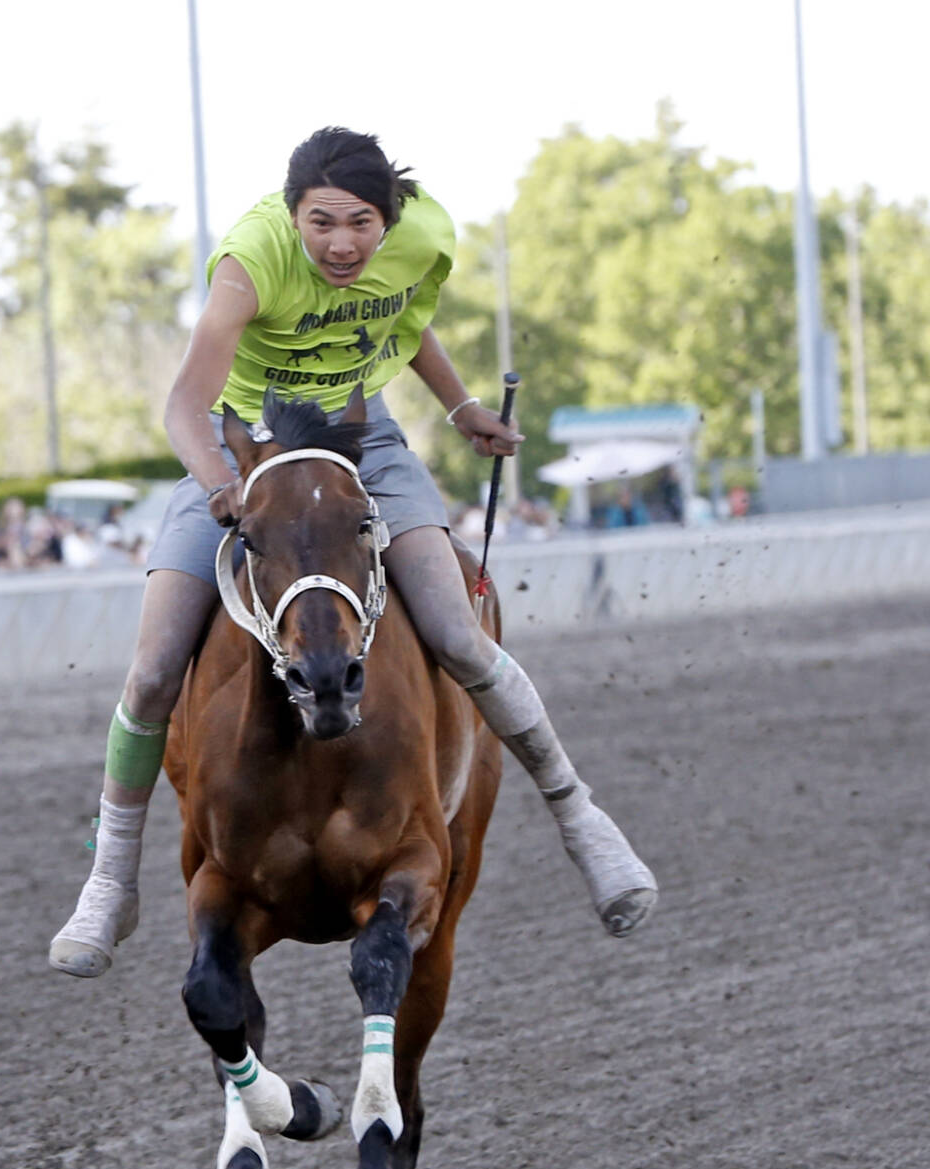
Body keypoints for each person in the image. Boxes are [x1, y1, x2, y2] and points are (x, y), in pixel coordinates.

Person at [49, 127, 657, 979]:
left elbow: (404, 321)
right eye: (322, 222)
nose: (341, 243)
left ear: (390, 219)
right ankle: (109, 880)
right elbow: (185, 406)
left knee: (456, 632)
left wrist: (459, 408)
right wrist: (224, 484)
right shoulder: (251, 262)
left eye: (360, 224)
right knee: (152, 669)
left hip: (362, 450)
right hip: (241, 455)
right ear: (292, 215)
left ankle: (581, 818)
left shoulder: (420, 238)